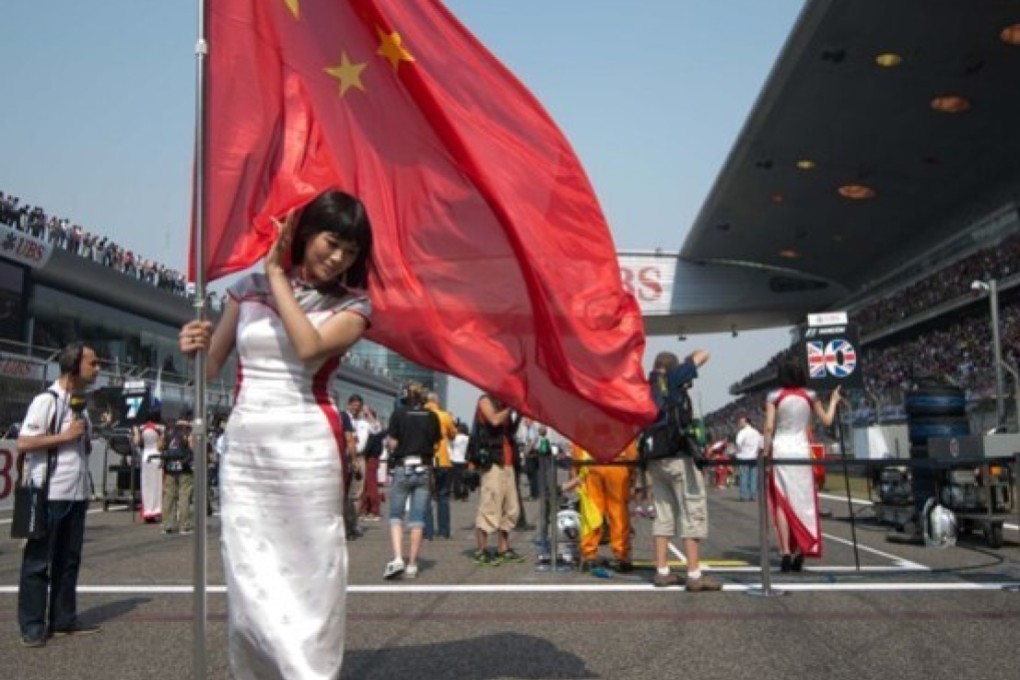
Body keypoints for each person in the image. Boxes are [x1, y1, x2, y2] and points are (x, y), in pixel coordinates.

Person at [179, 189, 373, 678]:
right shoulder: (244, 290)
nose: (338, 258)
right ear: (306, 233)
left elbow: (308, 349)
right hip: (247, 448)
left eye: (350, 251)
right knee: (250, 573)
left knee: (312, 575)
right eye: (332, 243)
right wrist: (194, 347)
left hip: (308, 448)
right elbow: (211, 370)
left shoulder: (355, 306)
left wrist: (272, 275)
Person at [16, 342, 102, 647]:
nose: (98, 368)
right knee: (39, 560)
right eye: (93, 363)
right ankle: (32, 624)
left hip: (77, 494)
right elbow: (25, 442)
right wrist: (65, 436)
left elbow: (83, 444)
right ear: (75, 365)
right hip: (48, 491)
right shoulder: (46, 401)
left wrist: (83, 439)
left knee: (69, 559)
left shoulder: (79, 404)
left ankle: (64, 618)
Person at [644, 349, 723, 592]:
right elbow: (704, 354)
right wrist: (685, 363)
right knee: (692, 512)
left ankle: (662, 571)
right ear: (671, 367)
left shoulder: (647, 387)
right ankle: (694, 574)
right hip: (680, 458)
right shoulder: (674, 378)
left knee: (663, 514)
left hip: (655, 459)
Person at [763, 358, 842, 572]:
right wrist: (833, 401)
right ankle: (801, 549)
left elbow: (769, 427)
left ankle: (785, 551)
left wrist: (765, 451)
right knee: (803, 500)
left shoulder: (774, 396)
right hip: (800, 450)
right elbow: (826, 421)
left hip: (781, 449)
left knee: (782, 501)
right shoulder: (810, 395)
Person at [383, 382, 441, 578]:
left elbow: (393, 442)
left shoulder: (398, 414)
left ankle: (399, 557)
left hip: (403, 466)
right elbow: (435, 441)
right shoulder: (432, 416)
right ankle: (413, 564)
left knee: (396, 515)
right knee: (417, 518)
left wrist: (395, 447)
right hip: (424, 467)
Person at [471, 394, 526, 565]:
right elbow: (494, 420)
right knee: (489, 505)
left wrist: (520, 414)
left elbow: (509, 431)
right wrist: (510, 408)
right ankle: (482, 550)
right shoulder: (485, 400)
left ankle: (503, 548)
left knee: (511, 507)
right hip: (493, 461)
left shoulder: (503, 403)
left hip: (508, 462)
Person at [570, 439, 636, 573]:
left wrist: (576, 469)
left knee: (592, 512)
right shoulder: (621, 418)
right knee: (618, 513)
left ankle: (589, 554)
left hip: (591, 464)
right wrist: (632, 471)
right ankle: (622, 555)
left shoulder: (587, 418)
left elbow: (577, 442)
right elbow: (631, 447)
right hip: (618, 463)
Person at [424, 391, 457, 539]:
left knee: (425, 495)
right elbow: (453, 435)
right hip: (443, 459)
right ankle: (444, 531)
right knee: (443, 496)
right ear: (437, 402)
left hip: (425, 459)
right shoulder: (444, 416)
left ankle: (428, 531)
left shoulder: (421, 414)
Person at [161, 415, 194, 535]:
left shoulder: (169, 433)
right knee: (184, 495)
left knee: (169, 496)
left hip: (170, 466)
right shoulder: (187, 434)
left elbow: (161, 447)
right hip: (184, 467)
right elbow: (192, 448)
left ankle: (167, 524)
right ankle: (184, 525)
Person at [133, 409, 164, 523]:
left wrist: (136, 432)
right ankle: (156, 510)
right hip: (157, 457)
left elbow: (136, 442)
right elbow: (161, 445)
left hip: (145, 457)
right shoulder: (160, 428)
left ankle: (147, 511)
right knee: (157, 485)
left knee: (146, 485)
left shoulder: (141, 428)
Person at [359, 407, 385, 521]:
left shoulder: (375, 425)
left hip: (371, 458)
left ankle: (374, 511)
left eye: (366, 413)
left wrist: (368, 414)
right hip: (363, 457)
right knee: (363, 486)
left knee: (371, 485)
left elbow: (375, 428)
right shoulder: (362, 424)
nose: (364, 414)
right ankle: (364, 510)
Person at [734, 415, 763, 502]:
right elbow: (761, 445)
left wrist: (740, 451)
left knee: (744, 476)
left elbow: (738, 443)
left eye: (741, 422)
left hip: (744, 456)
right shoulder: (756, 432)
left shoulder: (742, 432)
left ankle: (744, 495)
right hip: (754, 456)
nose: (740, 423)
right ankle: (753, 495)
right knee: (753, 477)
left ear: (746, 422)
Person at [449, 421, 470, 501]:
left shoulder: (455, 438)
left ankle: (457, 494)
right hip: (464, 460)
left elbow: (451, 445)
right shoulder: (468, 438)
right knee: (465, 478)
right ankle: (465, 494)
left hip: (455, 459)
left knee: (456, 479)